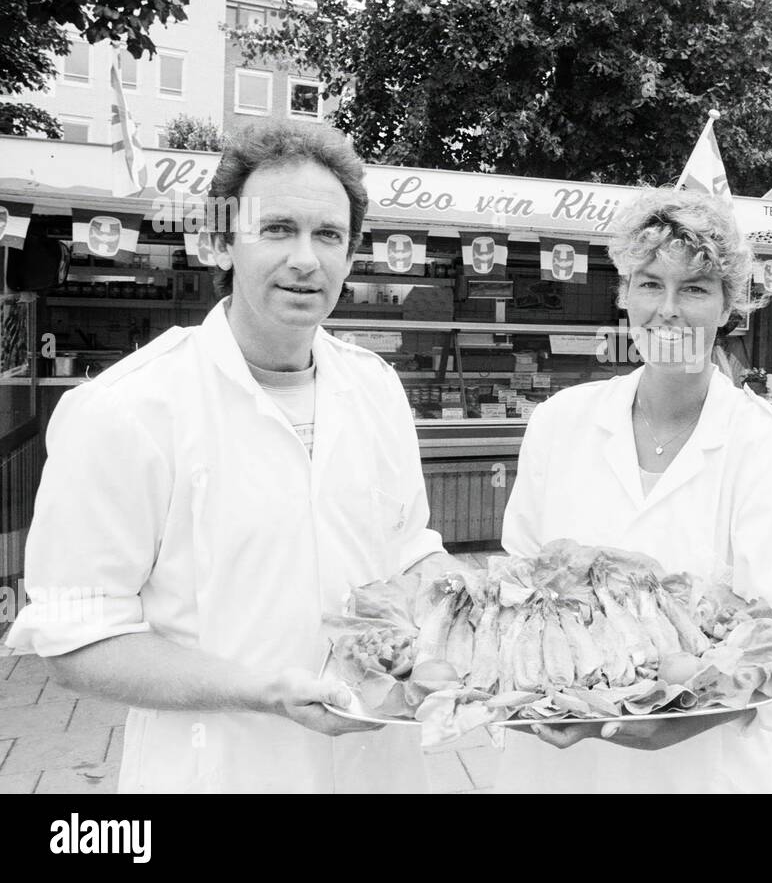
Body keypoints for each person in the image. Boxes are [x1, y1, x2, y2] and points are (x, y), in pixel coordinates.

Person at [5, 121, 446, 792]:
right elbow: (75, 640)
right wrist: (265, 692)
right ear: (220, 241)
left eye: (328, 235)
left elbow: (408, 552)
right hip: (218, 770)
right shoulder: (127, 409)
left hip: (377, 767)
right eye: (277, 229)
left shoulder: (376, 388)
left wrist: (473, 618)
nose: (306, 258)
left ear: (351, 255)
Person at [497, 187, 772, 793]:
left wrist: (673, 723)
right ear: (624, 294)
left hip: (703, 769)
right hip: (562, 765)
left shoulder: (766, 448)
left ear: (730, 306)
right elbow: (523, 584)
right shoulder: (561, 422)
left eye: (696, 288)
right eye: (650, 283)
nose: (669, 310)